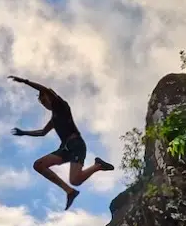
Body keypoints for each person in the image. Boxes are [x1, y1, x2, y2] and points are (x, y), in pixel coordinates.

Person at [8, 75, 114, 210]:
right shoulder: (54, 119)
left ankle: (98, 165)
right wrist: (24, 133)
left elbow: (45, 89)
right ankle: (70, 192)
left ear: (49, 96)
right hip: (65, 149)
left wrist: (25, 81)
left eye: (44, 99)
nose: (44, 103)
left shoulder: (61, 105)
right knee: (38, 165)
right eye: (42, 102)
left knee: (75, 180)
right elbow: (42, 132)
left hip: (76, 145)